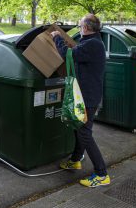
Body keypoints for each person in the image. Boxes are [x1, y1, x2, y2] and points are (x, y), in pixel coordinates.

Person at [50, 13, 110, 188]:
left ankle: (101, 173)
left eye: (79, 24)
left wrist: (57, 38)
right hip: (85, 96)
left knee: (85, 132)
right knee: (79, 128)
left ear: (85, 28)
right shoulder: (91, 42)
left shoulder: (92, 45)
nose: (78, 26)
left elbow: (67, 54)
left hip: (88, 98)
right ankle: (76, 159)